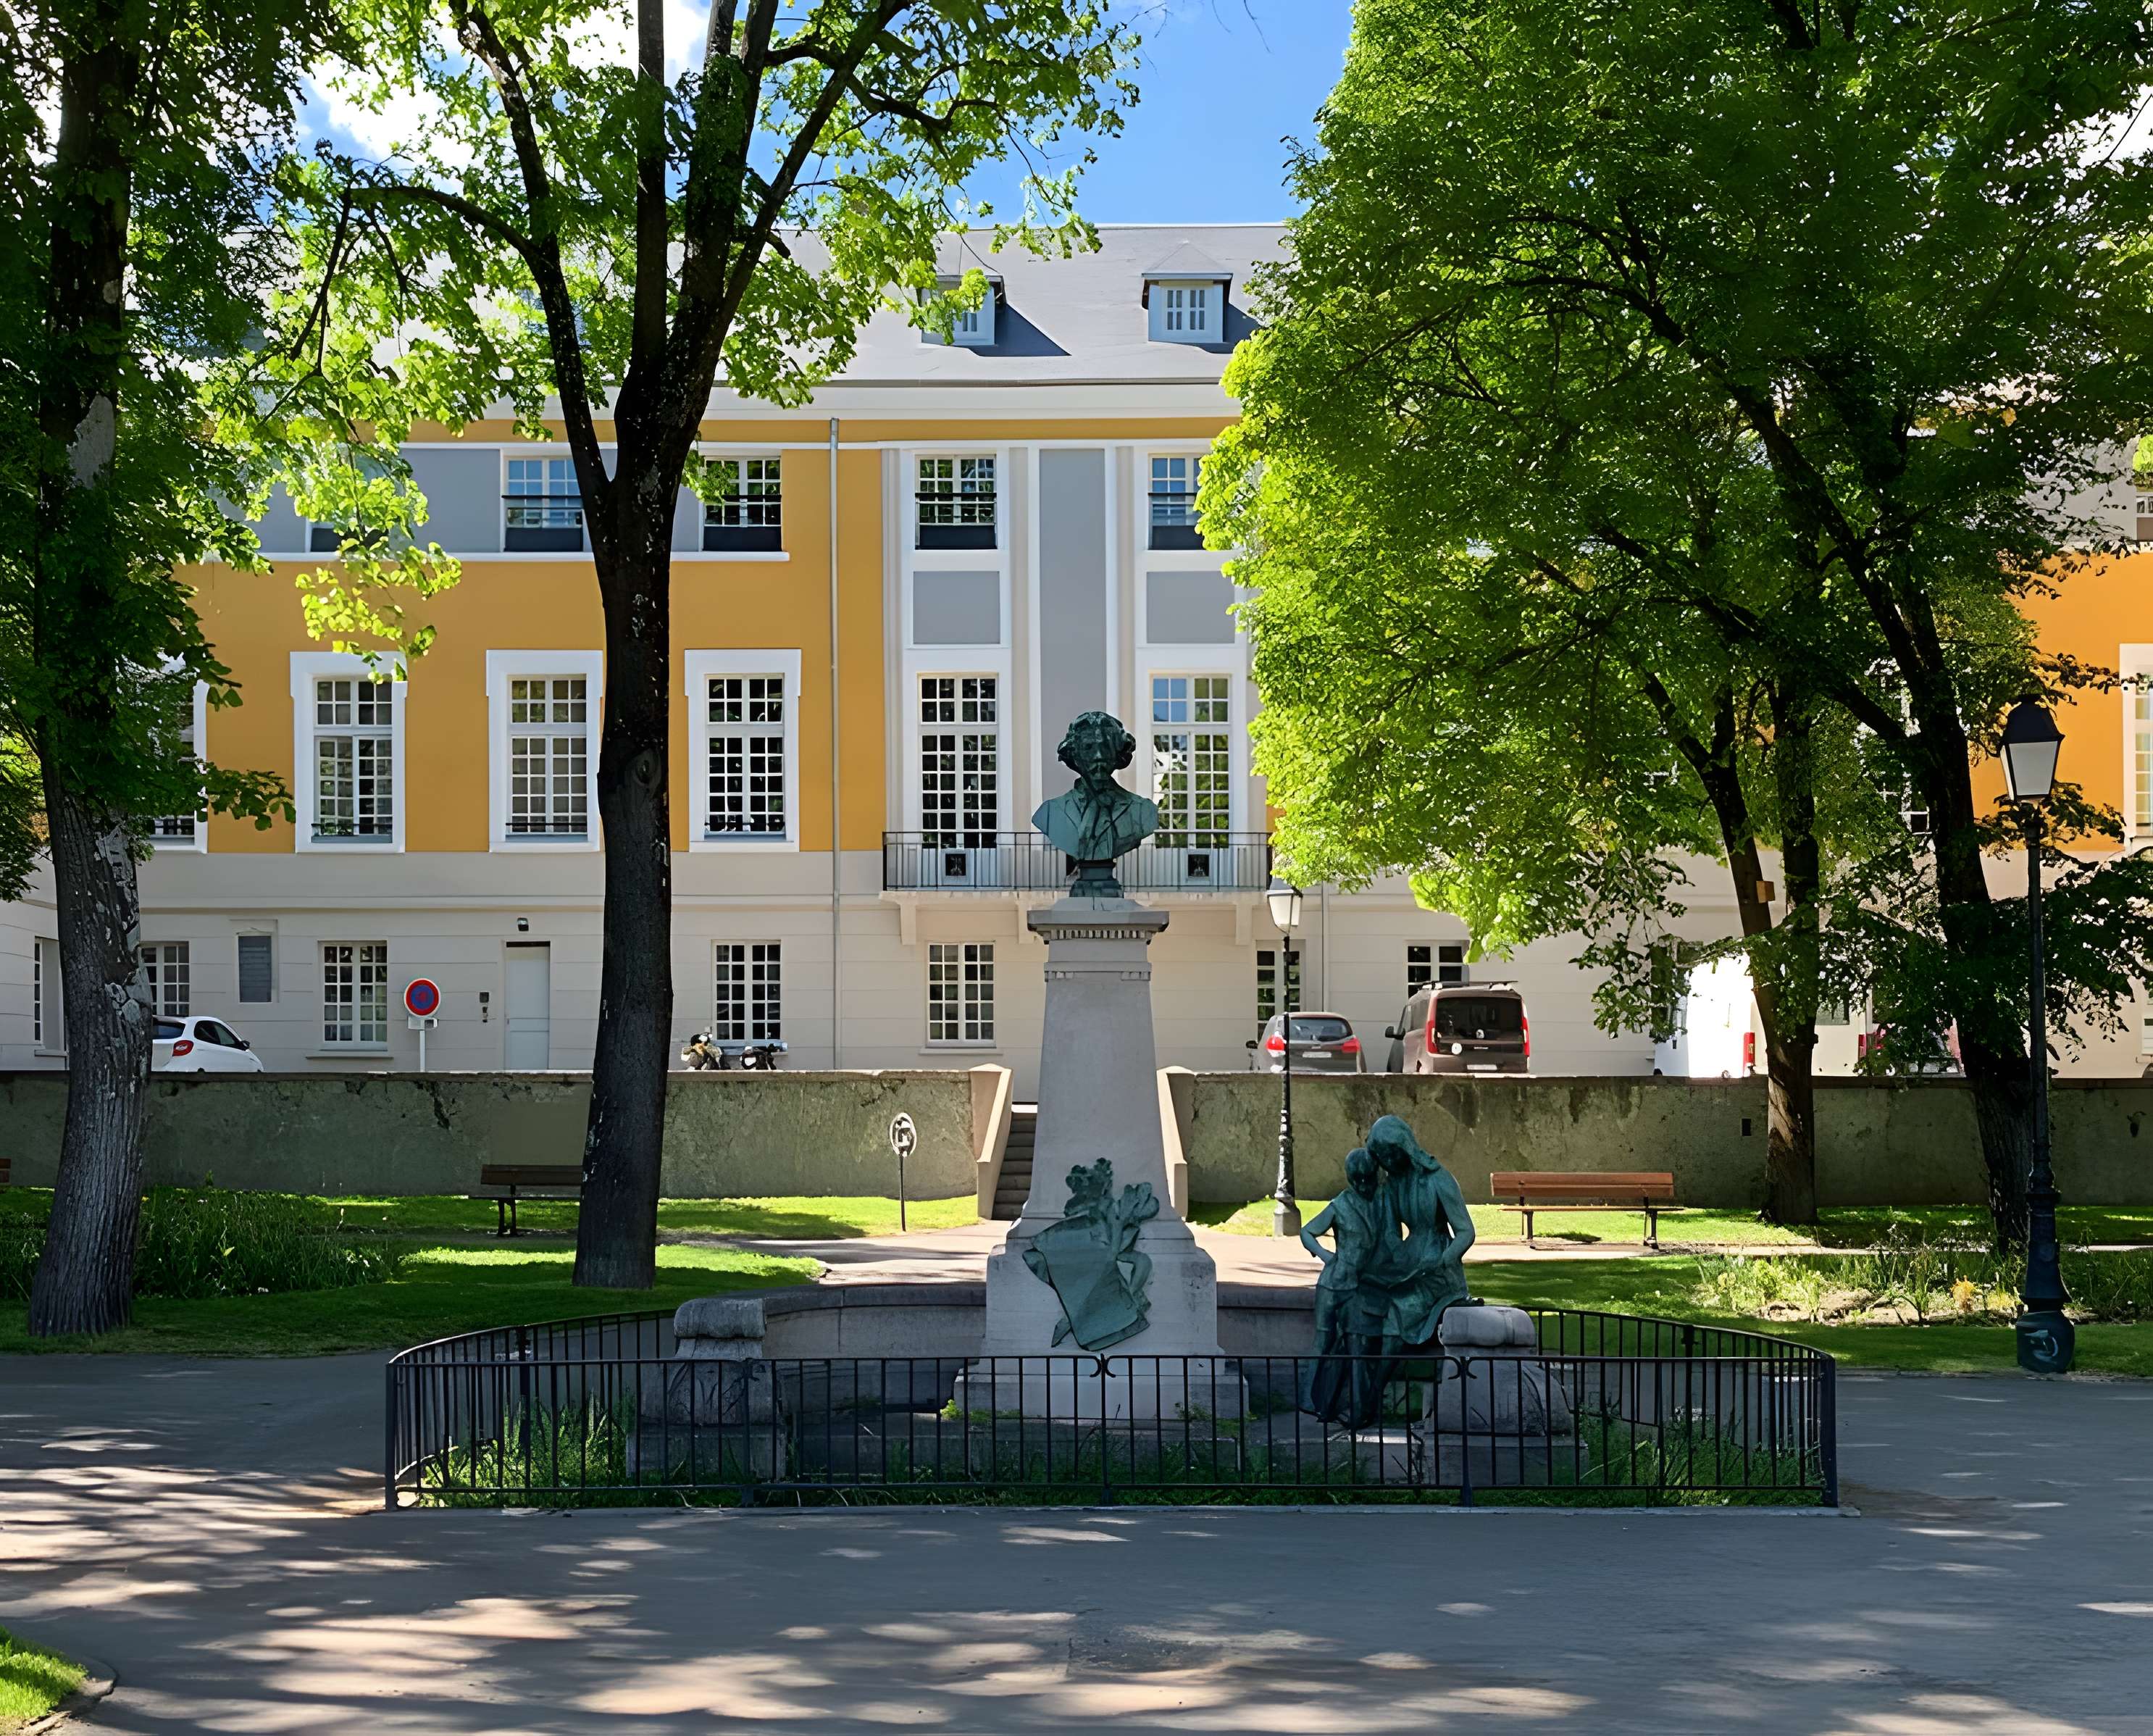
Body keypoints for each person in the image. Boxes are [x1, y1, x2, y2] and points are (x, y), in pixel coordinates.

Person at [1297, 1148, 1396, 1426]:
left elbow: (1389, 1240)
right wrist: (1326, 1256)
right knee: (1323, 1339)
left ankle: (1337, 1402)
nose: (1365, 1186)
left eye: (1369, 1180)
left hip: (1359, 1287)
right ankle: (1308, 1398)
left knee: (1353, 1344)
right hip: (1332, 1284)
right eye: (1359, 1181)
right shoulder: (1340, 1204)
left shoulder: (1382, 1201)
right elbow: (1308, 1231)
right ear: (1351, 1180)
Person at [1365, 1114, 1475, 1351]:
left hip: (1439, 1274)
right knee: (1365, 1301)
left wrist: (1444, 1259)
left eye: (1392, 1154)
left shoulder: (1438, 1178)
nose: (1389, 1162)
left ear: (1405, 1147)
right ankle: (1362, 1377)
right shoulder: (1392, 1185)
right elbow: (1392, 1235)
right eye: (1383, 1158)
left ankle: (1376, 1386)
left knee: (1395, 1314)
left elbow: (1466, 1231)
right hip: (1408, 1265)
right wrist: (1392, 1261)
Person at [1030, 711, 1159, 892]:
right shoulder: (1051, 812)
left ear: (1118, 755)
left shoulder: (1142, 811)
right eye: (1089, 747)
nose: (1098, 755)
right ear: (1075, 755)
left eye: (1105, 747)